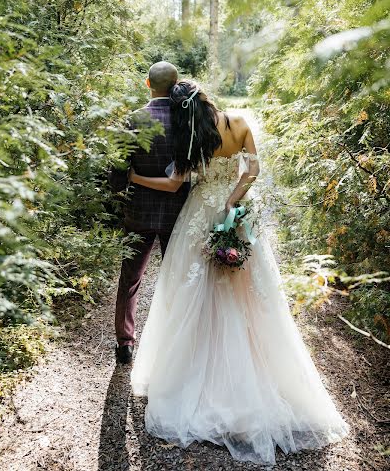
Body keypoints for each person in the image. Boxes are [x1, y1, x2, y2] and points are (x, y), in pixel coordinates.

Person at [128, 79, 349, 465]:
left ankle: (198, 369)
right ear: (208, 97)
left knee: (194, 291)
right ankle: (253, 368)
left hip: (199, 214)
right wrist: (231, 203)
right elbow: (253, 171)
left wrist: (135, 178)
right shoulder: (240, 122)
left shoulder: (193, 135)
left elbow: (173, 183)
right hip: (236, 215)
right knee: (247, 290)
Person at [114, 62, 190, 364]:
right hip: (178, 213)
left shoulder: (133, 119)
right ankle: (178, 344)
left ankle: (125, 344)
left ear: (148, 84)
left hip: (139, 212)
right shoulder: (186, 120)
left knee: (130, 279)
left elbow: (118, 169)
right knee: (180, 277)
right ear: (176, 85)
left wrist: (121, 188)